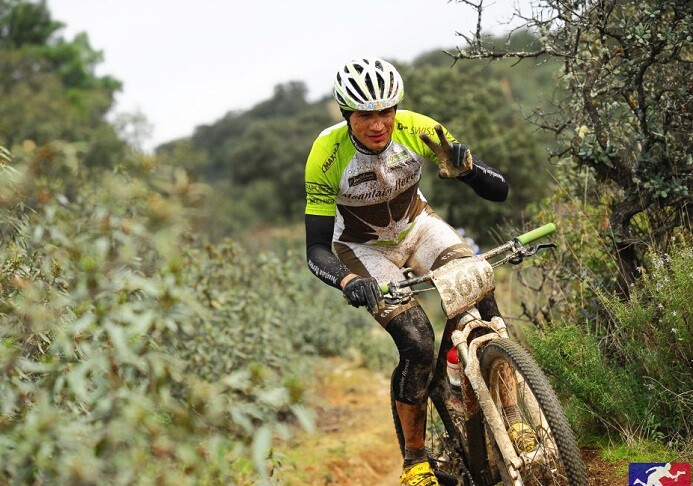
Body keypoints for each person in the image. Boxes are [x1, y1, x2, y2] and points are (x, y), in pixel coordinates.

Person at [304, 57, 511, 486]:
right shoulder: (326, 155)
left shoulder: (421, 130)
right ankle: (415, 462)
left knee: (480, 290)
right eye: (365, 115)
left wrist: (469, 173)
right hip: (362, 249)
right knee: (417, 342)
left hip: (417, 227)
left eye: (386, 111)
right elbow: (316, 249)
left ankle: (508, 410)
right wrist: (349, 281)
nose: (378, 124)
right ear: (346, 115)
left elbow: (499, 191)